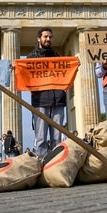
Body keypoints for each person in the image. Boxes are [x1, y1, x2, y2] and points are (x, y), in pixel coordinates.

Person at [27, 27, 66, 159]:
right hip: (40, 102)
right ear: (39, 38)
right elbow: (25, 76)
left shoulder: (57, 57)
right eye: (45, 37)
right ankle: (42, 163)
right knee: (41, 138)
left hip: (58, 101)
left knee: (57, 138)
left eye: (50, 37)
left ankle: (56, 164)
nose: (48, 39)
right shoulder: (30, 58)